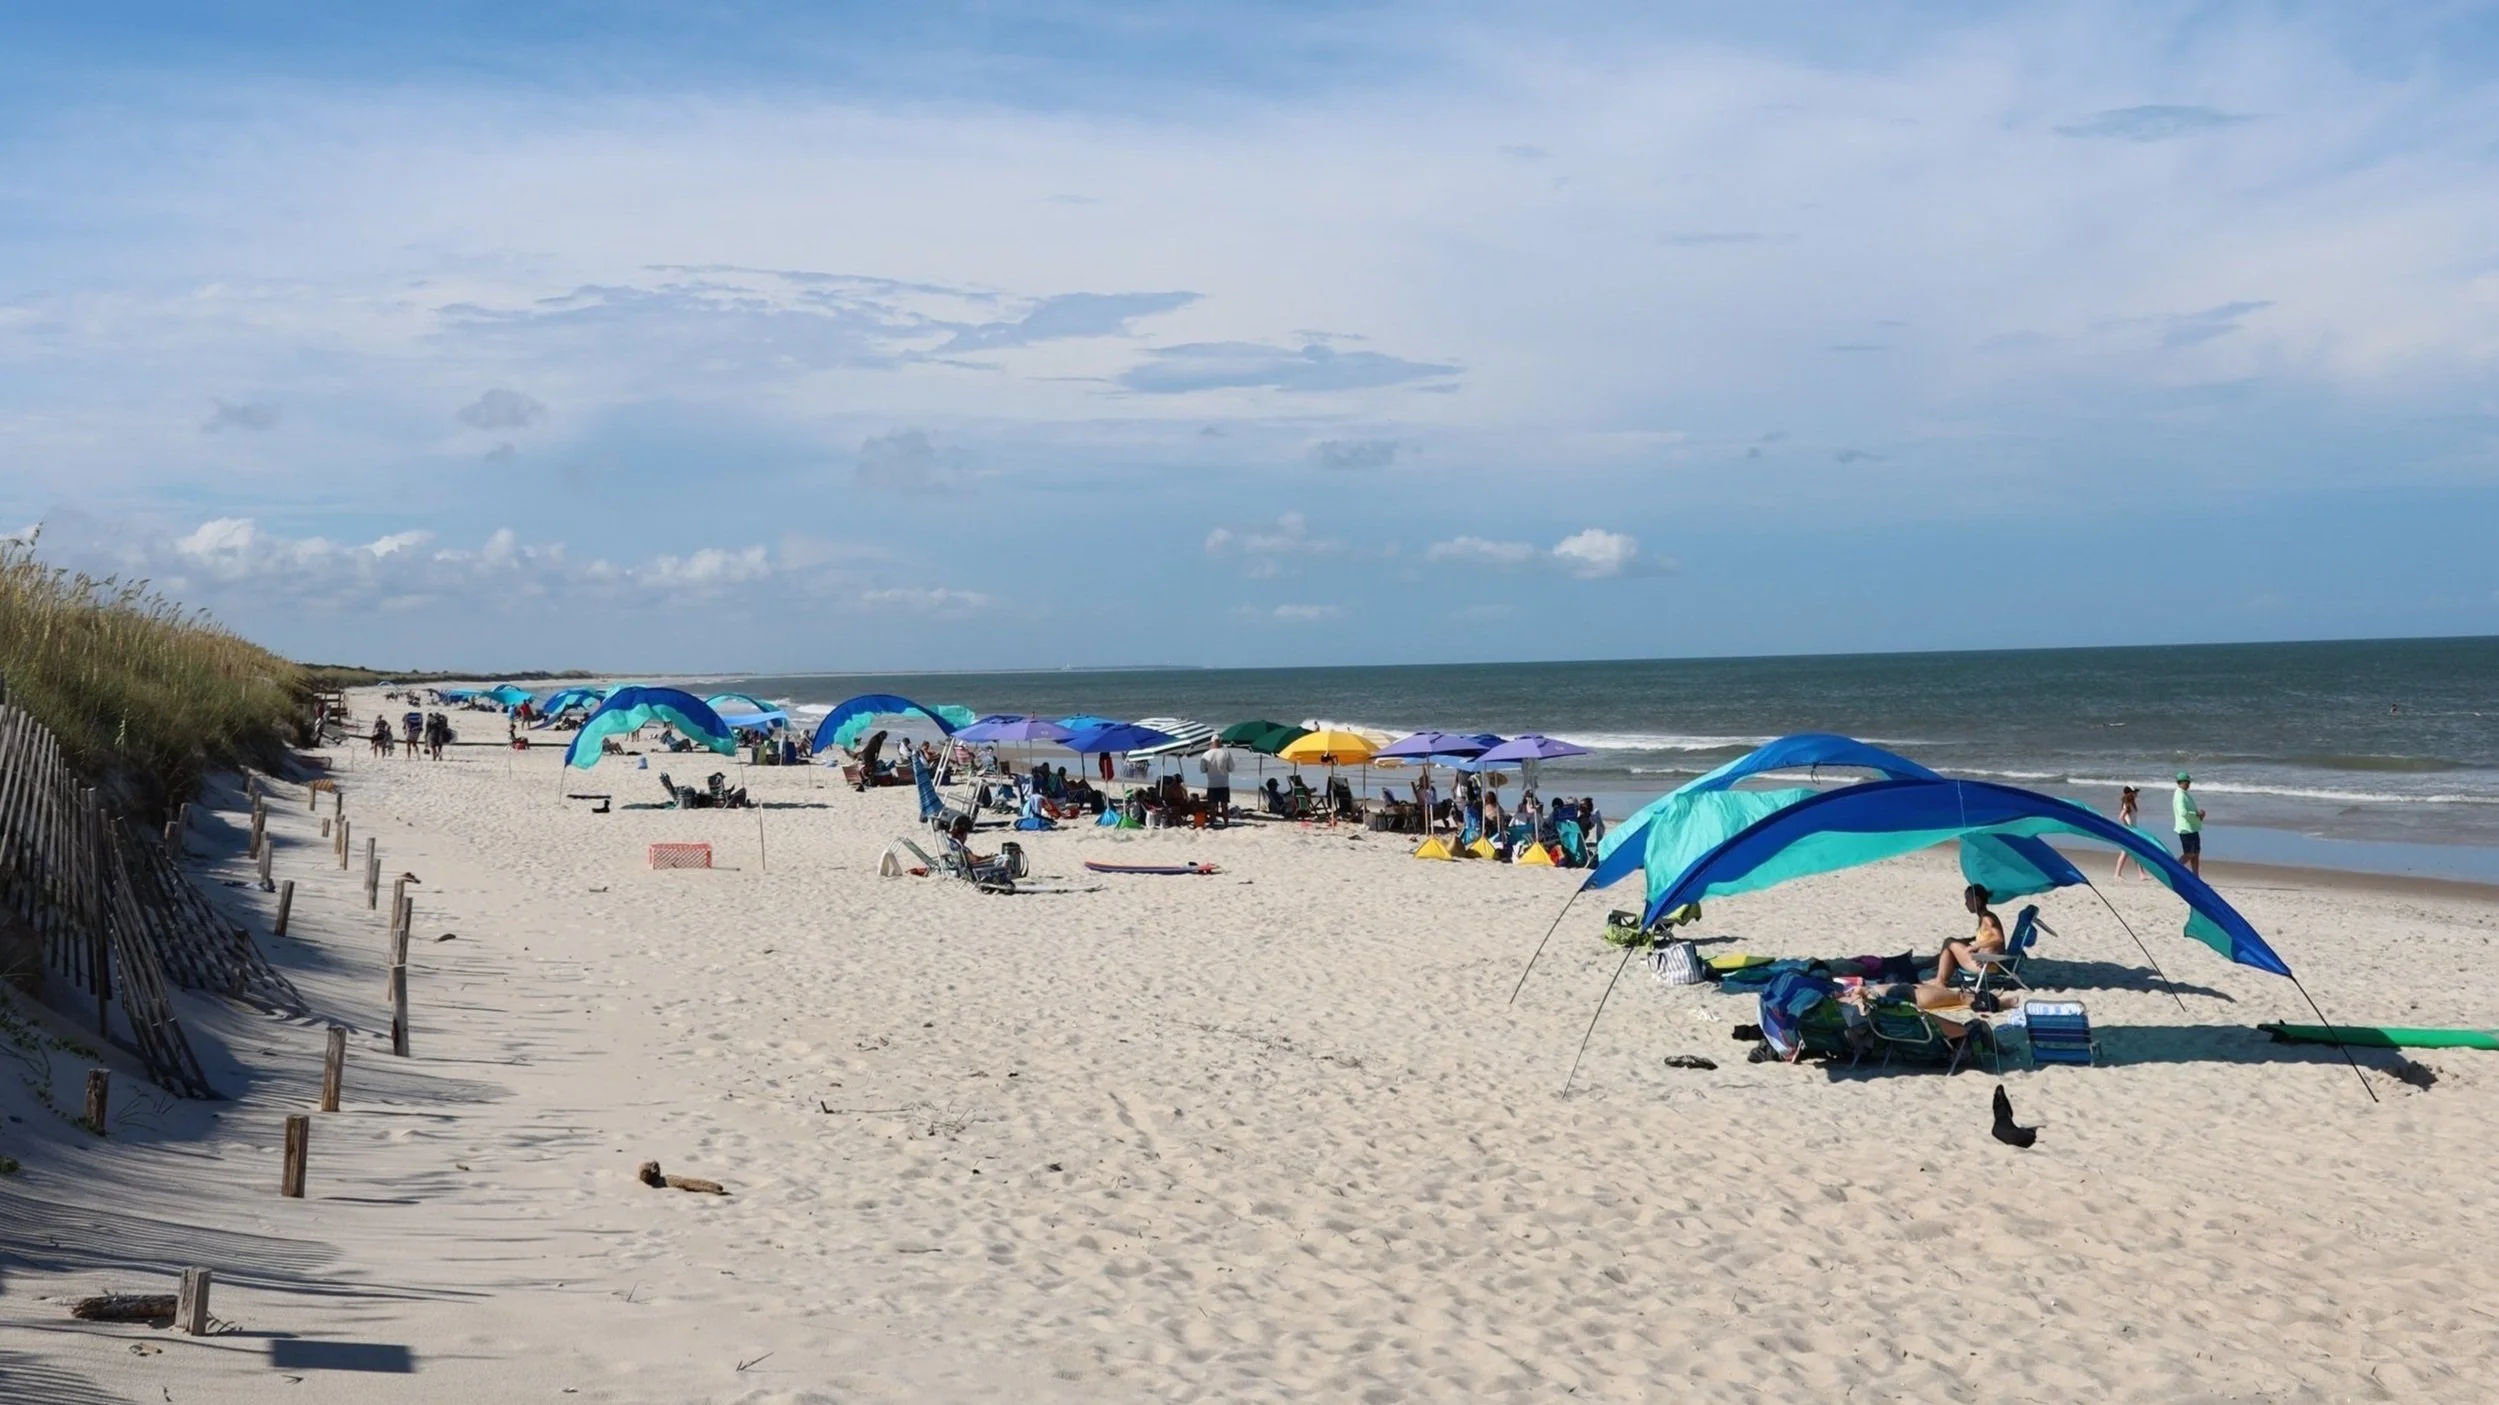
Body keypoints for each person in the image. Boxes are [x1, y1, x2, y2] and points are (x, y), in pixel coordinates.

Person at [1931, 883, 2006, 985]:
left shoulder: (1987, 918)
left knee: (1948, 941)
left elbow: (1998, 938)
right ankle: (1940, 979)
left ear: (1977, 901)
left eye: (1968, 900)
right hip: (1985, 961)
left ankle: (1940, 981)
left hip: (1986, 965)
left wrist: (1974, 946)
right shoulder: (1985, 917)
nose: (1966, 903)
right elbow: (1987, 936)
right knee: (1953, 945)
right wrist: (1970, 939)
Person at [2174, 772, 2206, 876]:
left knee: (2196, 854)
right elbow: (2182, 812)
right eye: (2186, 782)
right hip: (2185, 829)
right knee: (2189, 853)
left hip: (2192, 828)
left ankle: (2196, 877)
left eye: (2189, 782)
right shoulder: (2179, 795)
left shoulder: (2184, 793)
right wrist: (2197, 813)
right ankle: (2175, 869)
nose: (2188, 784)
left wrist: (2199, 815)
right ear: (2180, 782)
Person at [1200, 741, 1237, 826]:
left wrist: (1210, 770)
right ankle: (1226, 823)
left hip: (1212, 783)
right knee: (1224, 805)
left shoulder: (1206, 754)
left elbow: (1202, 769)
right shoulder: (1226, 753)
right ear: (1219, 743)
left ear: (1211, 743)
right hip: (1224, 783)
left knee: (1212, 805)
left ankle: (1212, 823)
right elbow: (1231, 768)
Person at [2113, 786, 2142, 880]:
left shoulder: (2131, 803)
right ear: (2130, 793)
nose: (2136, 794)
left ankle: (2141, 874)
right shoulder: (2127, 805)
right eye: (2135, 792)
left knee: (2133, 852)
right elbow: (2121, 817)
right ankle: (2117, 874)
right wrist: (2127, 827)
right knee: (2127, 853)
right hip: (2129, 832)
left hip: (2133, 831)